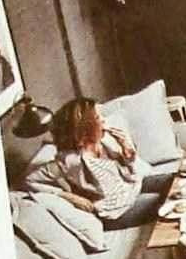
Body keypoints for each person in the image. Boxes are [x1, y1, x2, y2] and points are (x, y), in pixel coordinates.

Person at [31, 98, 163, 228]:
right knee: (167, 201)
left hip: (131, 189)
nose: (104, 121)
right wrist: (69, 196)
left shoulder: (103, 141)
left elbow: (129, 172)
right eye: (98, 118)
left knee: (175, 180)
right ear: (86, 126)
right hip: (116, 212)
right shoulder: (70, 160)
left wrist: (127, 151)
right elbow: (30, 181)